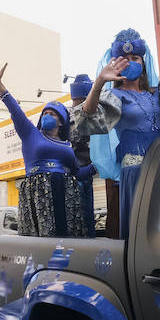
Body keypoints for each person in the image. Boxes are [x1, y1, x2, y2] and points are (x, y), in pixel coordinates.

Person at [76, 30, 160, 240]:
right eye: (124, 60)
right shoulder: (114, 95)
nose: (130, 62)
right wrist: (99, 82)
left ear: (144, 61)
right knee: (142, 233)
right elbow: (86, 121)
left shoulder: (157, 92)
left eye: (135, 58)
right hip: (135, 172)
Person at [0, 63, 92, 238]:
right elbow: (15, 111)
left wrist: (98, 166)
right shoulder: (31, 133)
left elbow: (78, 173)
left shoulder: (67, 145)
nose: (47, 116)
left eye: (52, 114)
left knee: (63, 241)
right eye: (45, 113)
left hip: (65, 195)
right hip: (38, 194)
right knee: (39, 244)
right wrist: (0, 85)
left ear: (61, 121)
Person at [67, 74, 96, 237]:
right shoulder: (66, 118)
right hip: (71, 176)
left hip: (88, 173)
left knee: (88, 217)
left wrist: (94, 168)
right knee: (76, 219)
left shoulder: (95, 115)